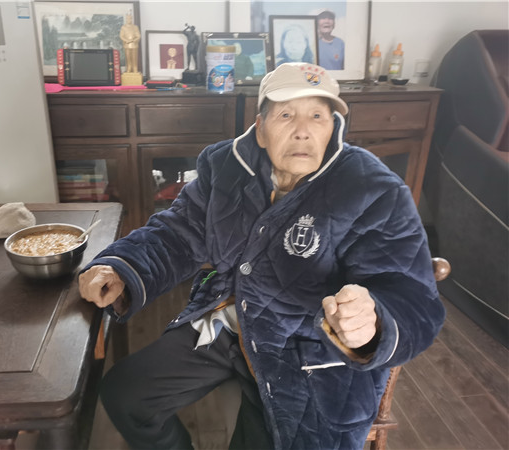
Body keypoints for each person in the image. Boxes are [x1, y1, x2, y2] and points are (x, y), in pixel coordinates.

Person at [78, 62, 446, 449]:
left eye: (317, 116)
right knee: (126, 396)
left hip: (305, 349)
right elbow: (178, 232)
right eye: (286, 115)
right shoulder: (224, 166)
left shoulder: (373, 188)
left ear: (333, 127)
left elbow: (413, 296)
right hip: (225, 319)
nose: (303, 130)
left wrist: (373, 323)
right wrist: (123, 266)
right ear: (260, 128)